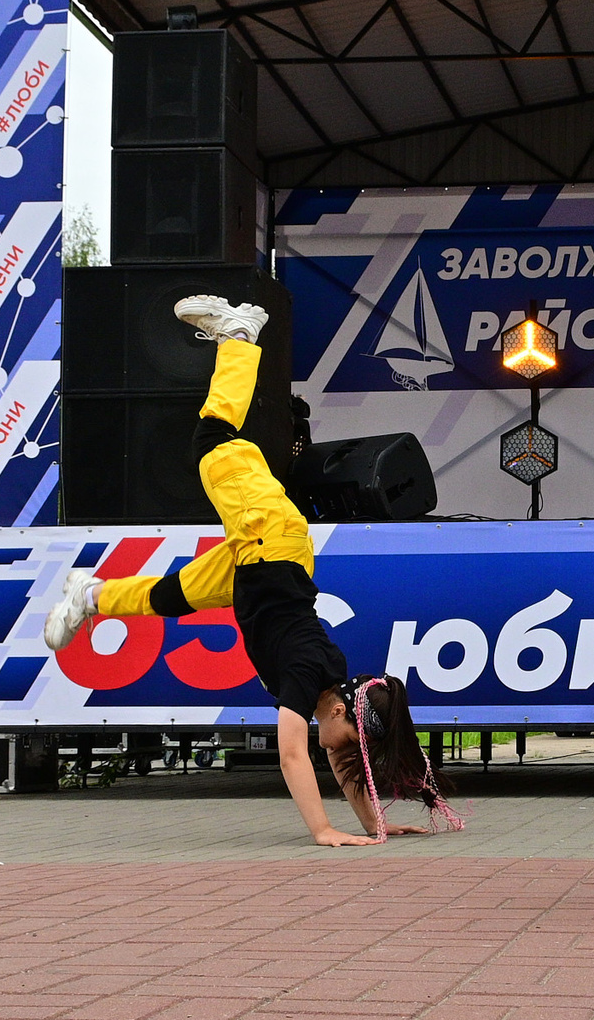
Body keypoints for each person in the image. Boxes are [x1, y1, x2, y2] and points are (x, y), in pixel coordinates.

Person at [43, 297, 461, 845]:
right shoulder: (307, 676)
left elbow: (343, 768)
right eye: (343, 737)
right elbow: (291, 754)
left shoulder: (328, 691)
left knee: (174, 597)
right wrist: (323, 831)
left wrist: (376, 825)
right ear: (340, 708)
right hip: (270, 540)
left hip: (256, 569)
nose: (336, 747)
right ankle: (239, 337)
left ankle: (90, 595)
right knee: (213, 441)